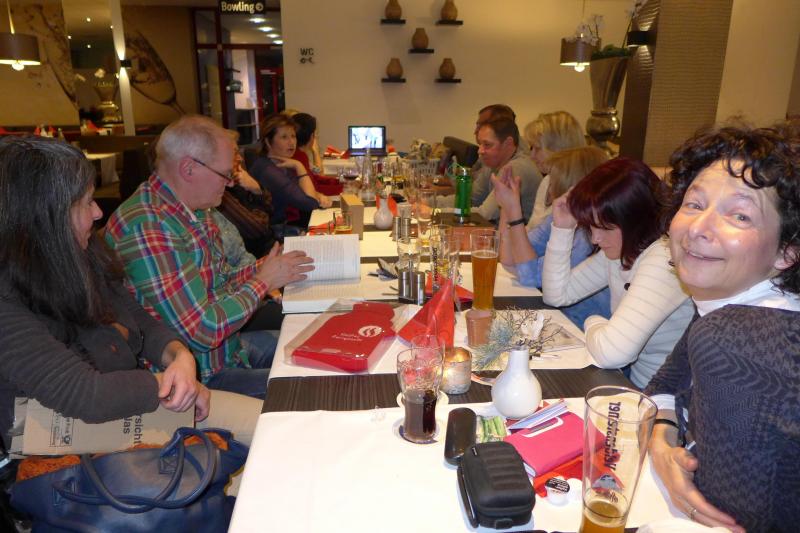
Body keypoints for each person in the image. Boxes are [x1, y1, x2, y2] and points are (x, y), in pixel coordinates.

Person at [0, 136, 263, 453]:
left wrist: (179, 357)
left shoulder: (79, 255)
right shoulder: (7, 303)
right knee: (265, 436)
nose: (98, 212)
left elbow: (137, 318)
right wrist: (168, 385)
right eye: (86, 202)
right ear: (45, 217)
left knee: (269, 428)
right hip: (66, 445)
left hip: (128, 408)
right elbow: (87, 395)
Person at [645, 123, 800, 533]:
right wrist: (663, 440)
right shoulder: (732, 300)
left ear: (786, 252)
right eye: (694, 204)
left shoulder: (738, 336)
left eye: (740, 215)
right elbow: (663, 383)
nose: (698, 228)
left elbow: (729, 519)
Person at [105, 115, 314, 400]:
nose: (229, 183)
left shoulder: (193, 210)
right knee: (310, 386)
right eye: (225, 174)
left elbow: (219, 282)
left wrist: (264, 268)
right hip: (200, 379)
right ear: (189, 168)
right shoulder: (147, 228)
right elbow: (203, 331)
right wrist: (263, 282)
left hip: (227, 352)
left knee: (317, 349)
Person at [541, 157, 694, 388]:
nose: (595, 238)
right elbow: (556, 295)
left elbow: (611, 354)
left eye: (605, 228)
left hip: (662, 397)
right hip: (634, 384)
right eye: (591, 226)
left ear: (637, 219)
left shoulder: (663, 259)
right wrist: (562, 228)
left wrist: (593, 321)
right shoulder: (624, 251)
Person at [494, 146, 611, 326]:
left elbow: (531, 276)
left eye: (553, 183)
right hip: (560, 320)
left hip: (583, 330)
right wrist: (506, 207)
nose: (549, 191)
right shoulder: (559, 216)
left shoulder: (589, 236)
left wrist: (514, 210)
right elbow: (510, 260)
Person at [250, 113, 332, 229]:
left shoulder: (279, 163)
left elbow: (301, 191)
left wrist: (319, 195)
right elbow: (310, 204)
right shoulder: (268, 171)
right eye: (284, 137)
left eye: (293, 136)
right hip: (273, 233)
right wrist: (299, 166)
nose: (291, 142)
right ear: (268, 141)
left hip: (282, 227)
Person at [523, 111, 586, 228]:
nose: (532, 156)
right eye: (531, 148)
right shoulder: (547, 181)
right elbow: (532, 230)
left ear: (559, 149)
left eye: (537, 148)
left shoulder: (579, 194)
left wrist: (512, 211)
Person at [473, 116, 542, 222]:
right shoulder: (493, 163)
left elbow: (485, 214)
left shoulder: (516, 168)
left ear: (508, 143)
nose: (480, 151)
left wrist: (443, 212)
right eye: (480, 144)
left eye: (487, 145)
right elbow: (472, 198)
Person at [291, 112, 342, 196]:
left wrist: (341, 182)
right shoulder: (299, 156)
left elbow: (314, 178)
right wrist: (344, 188)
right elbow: (315, 189)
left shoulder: (298, 154)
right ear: (312, 136)